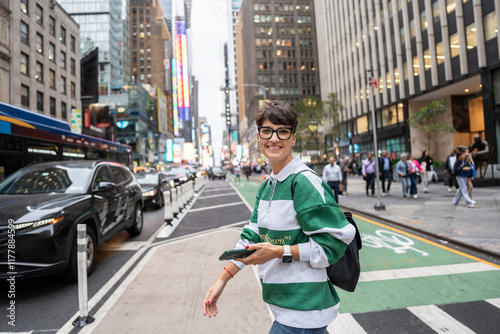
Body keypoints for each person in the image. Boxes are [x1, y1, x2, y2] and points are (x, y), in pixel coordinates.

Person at [202, 100, 356, 333]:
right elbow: (249, 237)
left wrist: (278, 251)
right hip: (286, 308)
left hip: (303, 311)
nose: (274, 138)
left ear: (293, 138)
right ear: (259, 137)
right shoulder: (268, 186)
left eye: (282, 131)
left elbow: (332, 245)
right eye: (267, 131)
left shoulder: (303, 182)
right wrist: (222, 280)